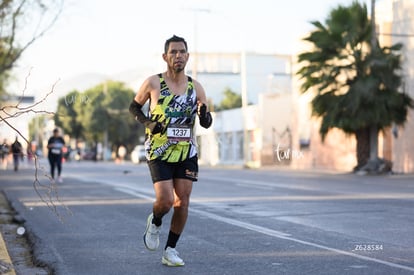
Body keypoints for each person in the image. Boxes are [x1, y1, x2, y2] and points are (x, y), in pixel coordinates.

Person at [129, 35, 213, 266]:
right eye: (173, 52)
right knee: (165, 201)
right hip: (159, 151)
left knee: (182, 202)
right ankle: (155, 221)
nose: (178, 55)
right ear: (165, 57)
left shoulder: (196, 87)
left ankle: (170, 250)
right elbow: (133, 107)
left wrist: (204, 114)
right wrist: (149, 124)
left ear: (187, 56)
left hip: (187, 151)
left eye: (182, 51)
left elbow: (206, 122)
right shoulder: (153, 83)